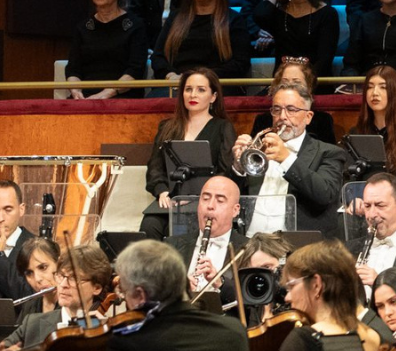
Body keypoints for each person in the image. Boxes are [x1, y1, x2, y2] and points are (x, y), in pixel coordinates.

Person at [232, 83, 348, 237]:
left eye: (291, 110)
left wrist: (286, 159)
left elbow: (325, 194)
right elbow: (230, 197)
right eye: (277, 110)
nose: (282, 117)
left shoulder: (329, 152)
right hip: (250, 241)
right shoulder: (258, 148)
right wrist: (238, 168)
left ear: (308, 117)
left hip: (297, 246)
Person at [104, 240, 248, 351]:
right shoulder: (234, 331)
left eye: (124, 291)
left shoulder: (128, 343)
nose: (124, 298)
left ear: (140, 295)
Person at [143, 68, 235, 237]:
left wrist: (201, 197)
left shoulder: (223, 127)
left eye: (201, 90)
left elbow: (225, 171)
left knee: (180, 230)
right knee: (149, 226)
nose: (193, 95)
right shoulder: (167, 127)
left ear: (213, 97)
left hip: (205, 202)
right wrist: (162, 191)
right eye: (188, 89)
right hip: (169, 199)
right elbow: (155, 168)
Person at [152, 0, 255, 82]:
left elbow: (241, 63)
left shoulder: (233, 20)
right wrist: (170, 75)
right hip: (177, 83)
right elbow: (158, 57)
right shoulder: (175, 17)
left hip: (217, 84)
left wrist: (201, 78)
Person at [0, 243, 115, 351]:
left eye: (73, 278)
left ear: (96, 288)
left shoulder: (105, 332)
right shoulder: (32, 323)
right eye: (61, 276)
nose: (63, 284)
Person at [276, 239, 381, 351]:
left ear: (316, 285)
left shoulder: (302, 340)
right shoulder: (373, 338)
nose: (287, 298)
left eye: (291, 286)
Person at [67, 0, 149, 99]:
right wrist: (76, 92)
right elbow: (73, 69)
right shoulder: (83, 27)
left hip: (121, 95)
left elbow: (135, 70)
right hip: (85, 96)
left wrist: (106, 94)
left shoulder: (135, 26)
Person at [165, 175, 244, 305]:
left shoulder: (249, 248)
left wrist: (221, 282)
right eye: (205, 199)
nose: (210, 206)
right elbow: (156, 293)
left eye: (220, 200)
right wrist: (178, 289)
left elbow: (252, 301)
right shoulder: (172, 246)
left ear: (235, 210)